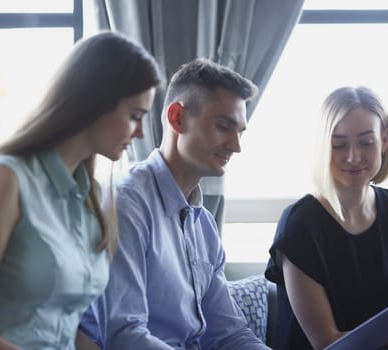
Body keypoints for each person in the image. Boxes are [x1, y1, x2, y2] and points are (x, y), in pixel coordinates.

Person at [0, 31, 162, 350]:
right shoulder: (4, 181)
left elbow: (60, 328)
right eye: (135, 116)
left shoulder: (91, 200)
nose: (140, 133)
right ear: (95, 103)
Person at [80, 58, 270, 349]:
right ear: (177, 118)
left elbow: (229, 334)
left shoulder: (204, 226)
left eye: (240, 132)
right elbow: (123, 334)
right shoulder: (126, 203)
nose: (236, 145)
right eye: (223, 126)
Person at [265, 86, 388, 350]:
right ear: (323, 147)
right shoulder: (300, 224)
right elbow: (326, 343)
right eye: (339, 144)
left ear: (385, 141)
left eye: (366, 142)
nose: (353, 156)